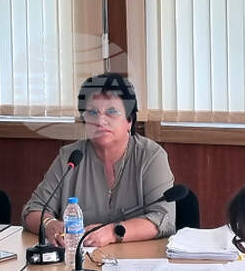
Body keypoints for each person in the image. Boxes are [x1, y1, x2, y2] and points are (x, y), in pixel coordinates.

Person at [22, 73, 175, 247]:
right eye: (92, 112)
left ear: (129, 121)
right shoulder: (70, 157)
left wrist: (113, 232)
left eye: (112, 112)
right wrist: (50, 224)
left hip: (136, 258)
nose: (100, 121)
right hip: (79, 257)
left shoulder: (150, 156)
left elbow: (163, 218)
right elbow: (33, 210)